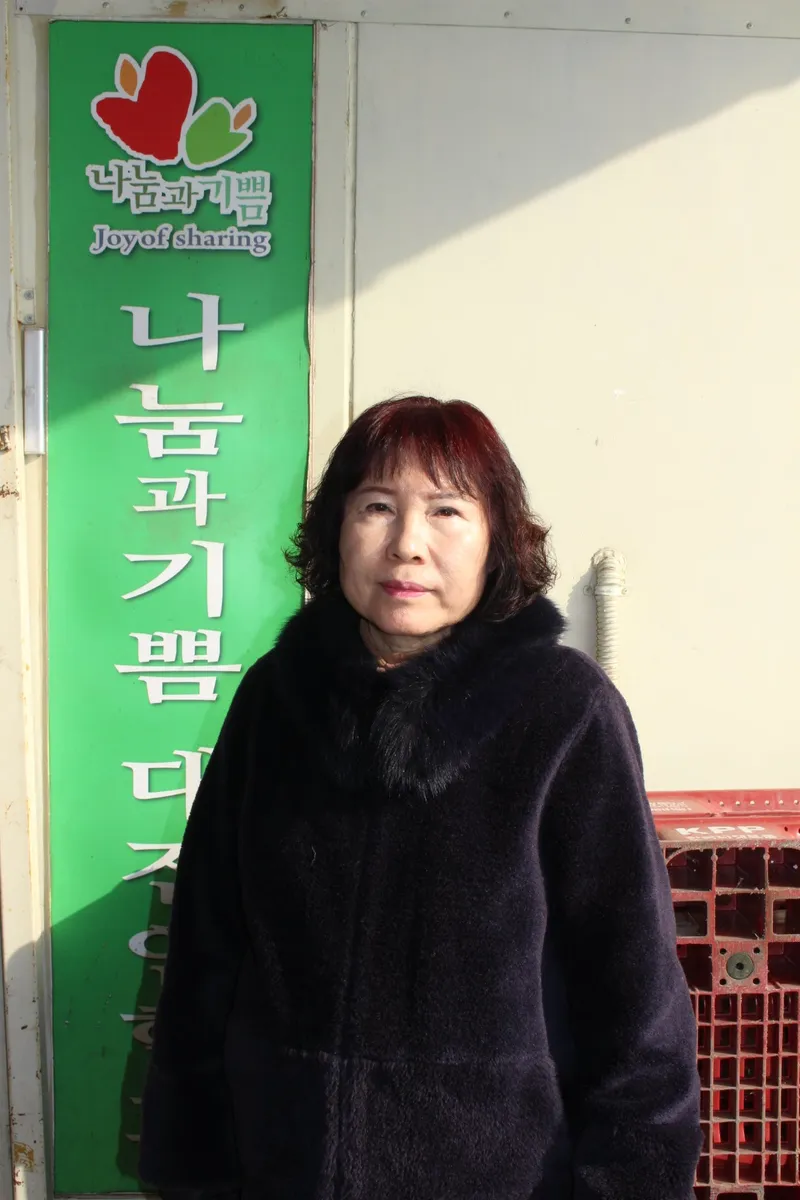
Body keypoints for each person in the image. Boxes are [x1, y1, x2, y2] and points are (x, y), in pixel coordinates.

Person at [139, 395, 702, 1200]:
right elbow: (206, 951)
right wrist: (193, 1169)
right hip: (279, 1168)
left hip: (504, 1177)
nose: (407, 543)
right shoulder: (278, 698)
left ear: (496, 539)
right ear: (335, 528)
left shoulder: (562, 710)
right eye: (376, 506)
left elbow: (634, 992)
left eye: (446, 510)